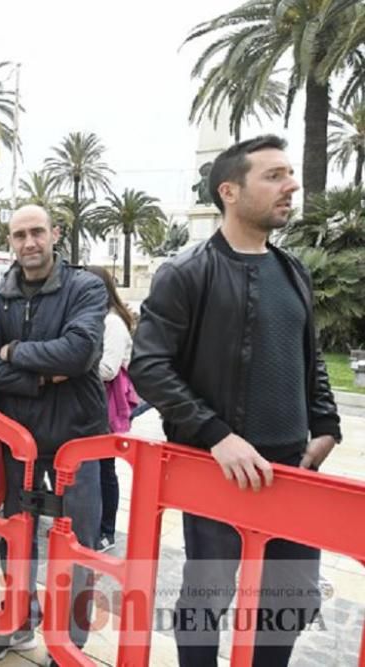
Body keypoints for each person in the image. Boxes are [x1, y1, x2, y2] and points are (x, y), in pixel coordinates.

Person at [129, 135, 341, 666]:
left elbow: (309, 359)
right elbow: (150, 367)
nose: (291, 185)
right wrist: (217, 436)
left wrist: (326, 427)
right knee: (208, 599)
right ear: (229, 190)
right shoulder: (186, 272)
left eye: (290, 174)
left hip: (293, 472)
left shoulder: (293, 272)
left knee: (290, 602)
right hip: (218, 471)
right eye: (273, 176)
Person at [0, 204, 108, 661]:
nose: (28, 243)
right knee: (16, 536)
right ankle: (18, 621)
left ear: (55, 234)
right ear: (10, 240)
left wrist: (14, 351)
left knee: (80, 544)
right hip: (19, 440)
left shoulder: (84, 286)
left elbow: (80, 352)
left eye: (36, 233)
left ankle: (70, 644)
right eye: (19, 235)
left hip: (78, 438)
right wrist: (39, 377)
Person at [85, 265, 137, 553]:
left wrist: (74, 362)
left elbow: (108, 369)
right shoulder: (94, 318)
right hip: (90, 403)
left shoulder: (113, 323)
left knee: (105, 469)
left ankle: (107, 530)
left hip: (106, 405)